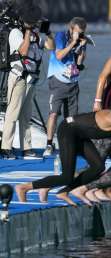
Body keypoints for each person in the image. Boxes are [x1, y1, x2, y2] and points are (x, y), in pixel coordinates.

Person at [15, 96, 111, 205]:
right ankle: (25, 187)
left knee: (98, 167)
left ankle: (65, 191)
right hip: (68, 131)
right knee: (66, 176)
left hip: (80, 134)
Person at [1, 4, 54, 159]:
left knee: (26, 116)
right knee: (12, 113)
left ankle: (27, 148)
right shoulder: (16, 33)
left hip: (31, 80)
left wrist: (48, 32)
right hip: (18, 78)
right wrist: (28, 31)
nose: (36, 22)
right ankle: (6, 148)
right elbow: (23, 51)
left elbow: (51, 47)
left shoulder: (37, 35)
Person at [43, 17, 89, 157]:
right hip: (57, 81)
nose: (80, 34)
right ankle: (49, 144)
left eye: (82, 32)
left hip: (73, 82)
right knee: (54, 113)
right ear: (71, 28)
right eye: (78, 32)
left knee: (72, 117)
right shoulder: (61, 36)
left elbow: (79, 63)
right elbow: (59, 55)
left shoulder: (82, 39)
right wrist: (73, 42)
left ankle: (71, 145)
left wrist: (81, 47)